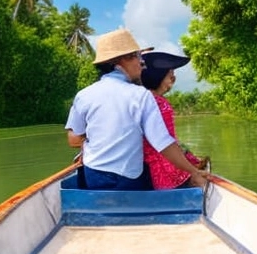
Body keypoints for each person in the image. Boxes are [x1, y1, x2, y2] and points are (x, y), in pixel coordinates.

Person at [65, 28, 208, 190]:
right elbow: (163, 143)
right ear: (123, 60)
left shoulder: (84, 95)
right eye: (138, 56)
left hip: (93, 177)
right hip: (127, 180)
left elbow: (73, 139)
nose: (141, 63)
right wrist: (193, 171)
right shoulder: (141, 95)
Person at [141, 51, 209, 189]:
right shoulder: (159, 103)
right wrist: (192, 169)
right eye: (170, 77)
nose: (172, 81)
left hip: (141, 167)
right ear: (159, 78)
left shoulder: (139, 99)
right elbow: (167, 143)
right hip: (161, 172)